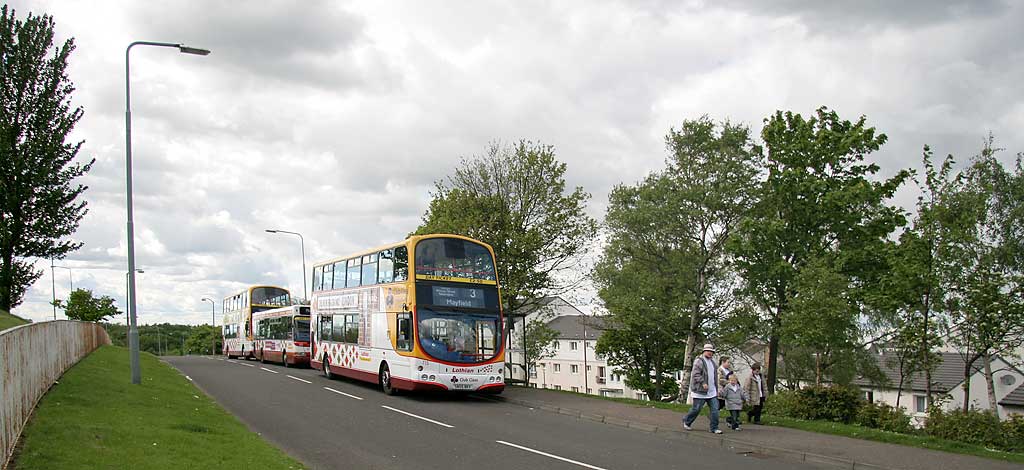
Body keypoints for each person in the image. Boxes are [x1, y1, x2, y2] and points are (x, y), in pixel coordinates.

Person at [683, 344, 722, 434]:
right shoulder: (699, 361)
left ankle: (714, 428)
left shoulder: (713, 363)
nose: (710, 353)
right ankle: (687, 421)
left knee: (715, 410)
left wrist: (717, 389)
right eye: (708, 351)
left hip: (712, 391)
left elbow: (714, 377)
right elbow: (696, 374)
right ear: (704, 351)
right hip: (700, 391)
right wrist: (703, 382)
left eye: (711, 352)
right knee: (696, 409)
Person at [717, 356, 734, 426]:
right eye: (728, 362)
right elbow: (720, 380)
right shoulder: (719, 370)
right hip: (722, 390)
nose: (729, 364)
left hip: (729, 390)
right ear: (723, 362)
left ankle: (733, 418)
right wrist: (729, 382)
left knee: (732, 405)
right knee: (720, 404)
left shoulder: (730, 370)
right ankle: (713, 415)